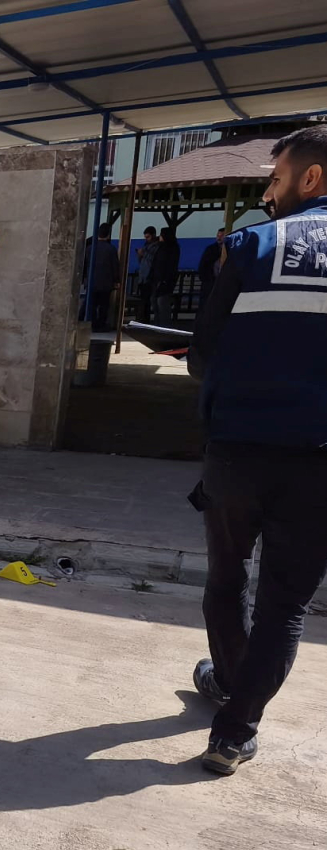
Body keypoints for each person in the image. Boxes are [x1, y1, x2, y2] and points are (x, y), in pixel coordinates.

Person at [186, 125, 327, 777]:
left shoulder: (250, 246)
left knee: (226, 578)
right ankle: (235, 727)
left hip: (237, 456)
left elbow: (203, 356)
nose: (268, 195)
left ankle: (232, 680)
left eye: (275, 181)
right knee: (284, 603)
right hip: (319, 464)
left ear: (311, 178)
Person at [84, 222, 122, 332]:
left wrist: (84, 279)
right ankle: (101, 325)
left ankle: (92, 324)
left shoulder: (90, 248)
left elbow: (85, 265)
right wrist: (116, 280)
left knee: (91, 304)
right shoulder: (111, 249)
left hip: (91, 282)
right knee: (104, 305)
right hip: (106, 283)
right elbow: (115, 266)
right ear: (108, 235)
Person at [150, 227, 181, 326]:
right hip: (157, 280)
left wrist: (165, 280)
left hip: (165, 281)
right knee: (155, 304)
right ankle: (158, 324)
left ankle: (163, 326)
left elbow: (169, 266)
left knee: (162, 304)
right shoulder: (162, 247)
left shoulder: (171, 248)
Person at [197, 227, 227, 308]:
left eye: (222, 235)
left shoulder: (228, 249)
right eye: (218, 235)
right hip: (210, 282)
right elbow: (203, 265)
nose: (219, 237)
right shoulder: (211, 249)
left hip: (220, 282)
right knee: (206, 304)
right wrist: (205, 279)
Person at [135, 226, 159, 323]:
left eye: (148, 237)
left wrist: (143, 254)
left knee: (147, 301)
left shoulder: (156, 247)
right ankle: (143, 319)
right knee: (144, 300)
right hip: (143, 277)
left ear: (153, 235)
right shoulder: (146, 246)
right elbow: (142, 262)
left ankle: (145, 320)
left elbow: (152, 261)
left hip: (149, 278)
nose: (146, 239)